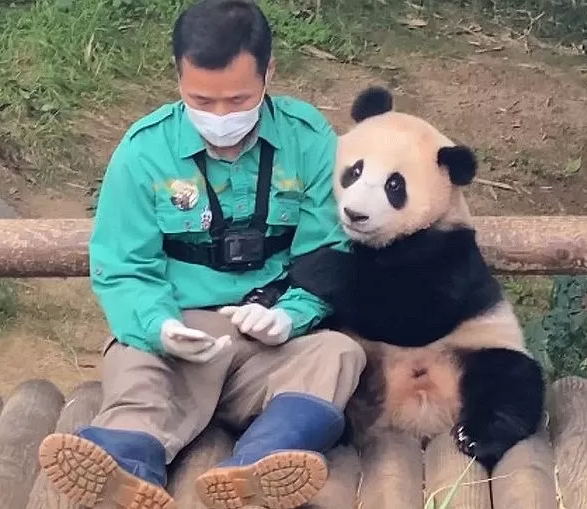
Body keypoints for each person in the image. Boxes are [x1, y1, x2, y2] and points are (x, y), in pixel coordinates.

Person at [36, 1, 366, 508]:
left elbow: (328, 250)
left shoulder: (309, 139)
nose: (220, 117)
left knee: (339, 354)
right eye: (201, 100)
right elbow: (122, 266)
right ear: (178, 79)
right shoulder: (144, 149)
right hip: (176, 337)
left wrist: (291, 317)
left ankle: (257, 467)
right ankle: (126, 468)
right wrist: (158, 326)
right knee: (138, 375)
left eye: (238, 99)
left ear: (268, 73)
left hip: (267, 341)